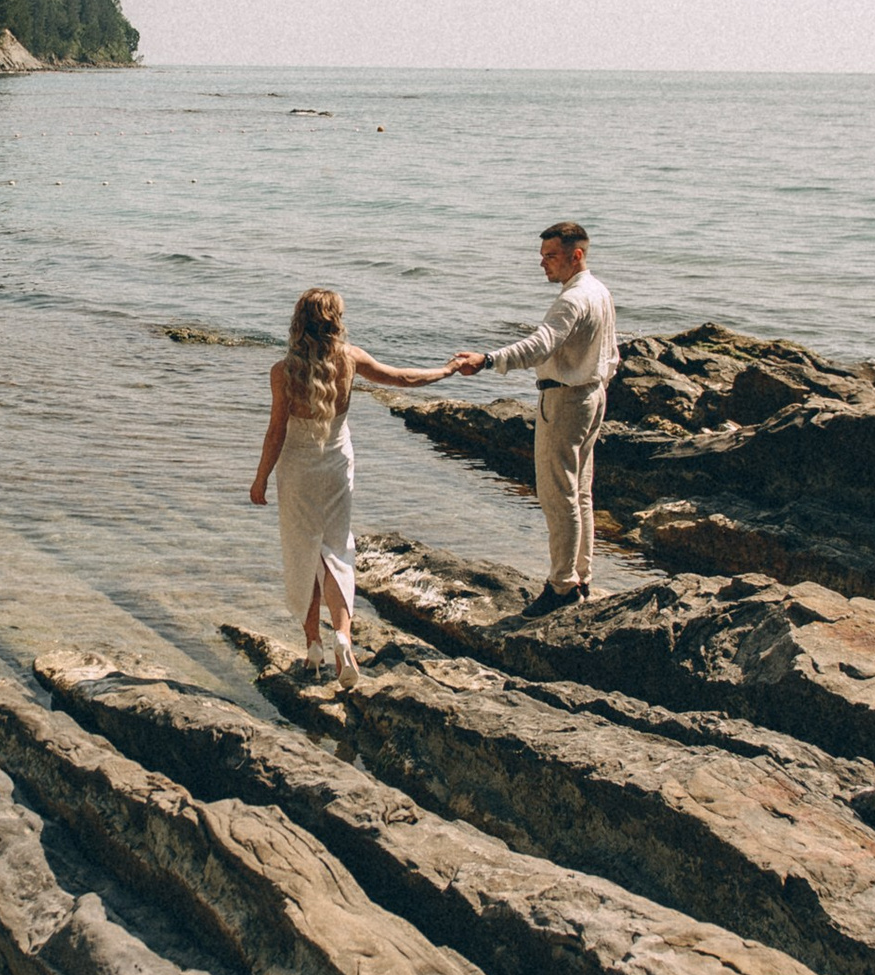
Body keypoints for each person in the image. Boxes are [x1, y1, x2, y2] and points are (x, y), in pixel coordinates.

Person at [250, 288, 453, 685]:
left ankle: (313, 646)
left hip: (297, 471)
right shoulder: (350, 359)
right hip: (337, 466)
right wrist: (446, 370)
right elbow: (403, 378)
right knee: (337, 551)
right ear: (334, 322)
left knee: (302, 552)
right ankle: (343, 637)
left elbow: (276, 431)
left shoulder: (283, 371)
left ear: (298, 322)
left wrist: (260, 478)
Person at [447, 221, 619, 616]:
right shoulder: (600, 291)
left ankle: (562, 587)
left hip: (565, 402)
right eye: (542, 257)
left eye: (551, 257)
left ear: (576, 255)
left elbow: (539, 347)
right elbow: (611, 351)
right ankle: (581, 575)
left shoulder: (573, 300)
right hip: (594, 395)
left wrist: (487, 360)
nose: (543, 265)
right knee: (581, 492)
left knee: (559, 496)